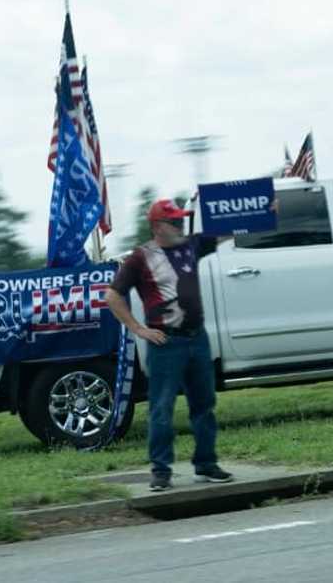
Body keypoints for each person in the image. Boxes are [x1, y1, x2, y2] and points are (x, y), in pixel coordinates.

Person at [105, 198, 233, 491]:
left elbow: (230, 231)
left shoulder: (192, 245)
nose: (179, 225)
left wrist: (263, 210)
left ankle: (206, 463)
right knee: (161, 408)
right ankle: (160, 471)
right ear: (157, 226)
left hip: (197, 338)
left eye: (180, 220)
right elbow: (112, 295)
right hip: (166, 343)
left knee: (204, 405)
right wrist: (138, 329)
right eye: (173, 221)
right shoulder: (140, 257)